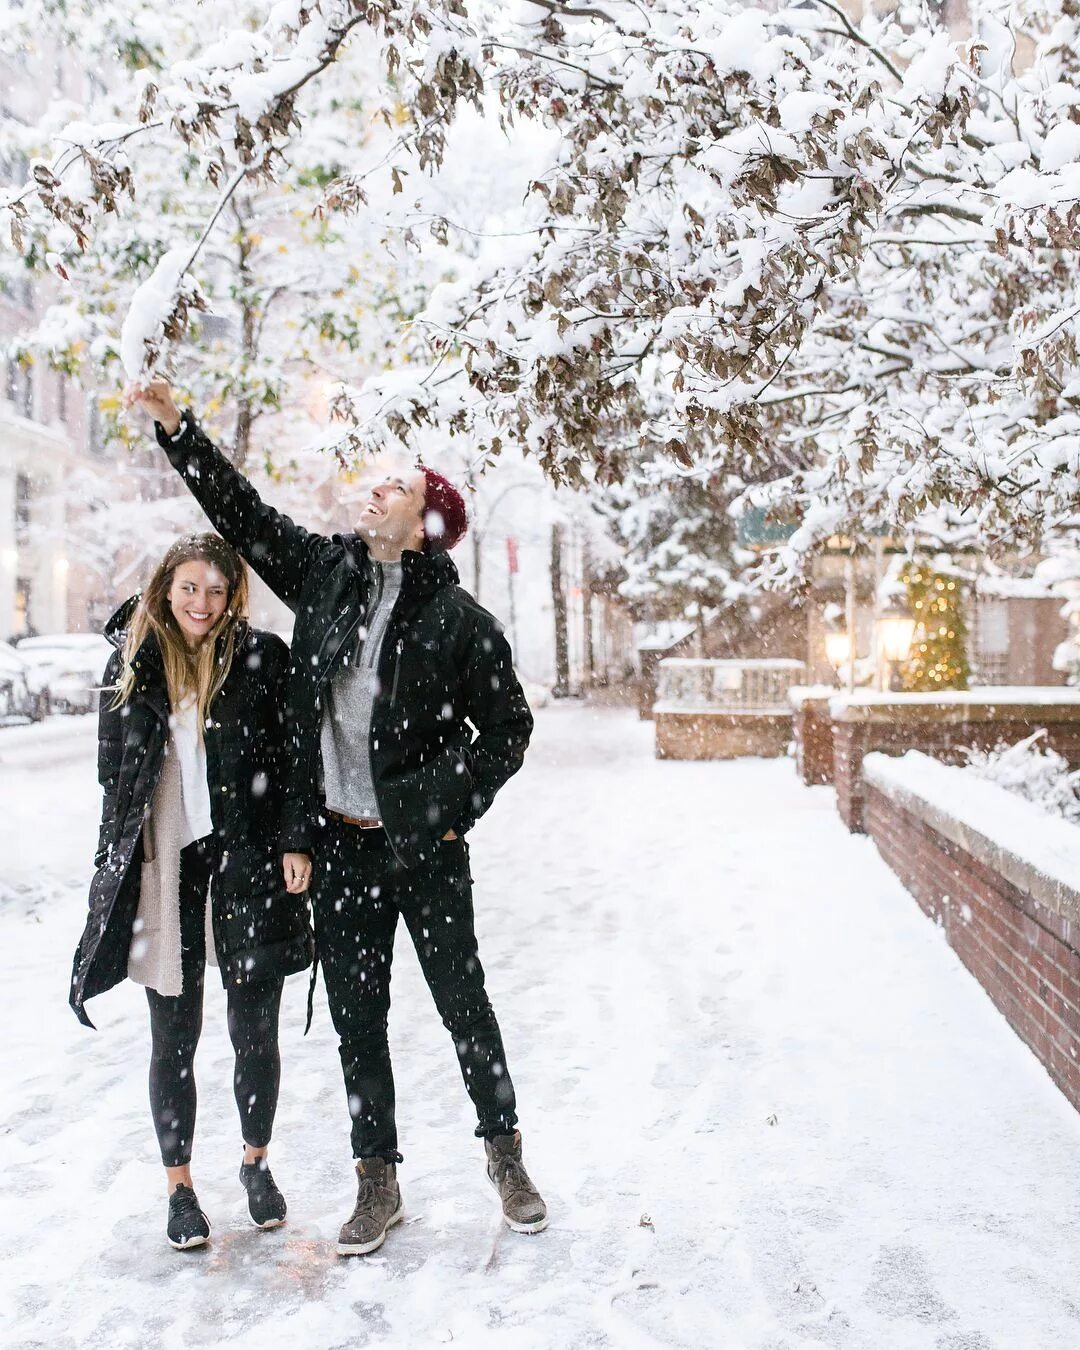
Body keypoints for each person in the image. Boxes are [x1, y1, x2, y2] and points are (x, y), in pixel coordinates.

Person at [127, 379, 548, 1256]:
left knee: (462, 1004)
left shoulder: (460, 624)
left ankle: (504, 1154)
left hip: (425, 853)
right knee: (358, 1018)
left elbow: (509, 728)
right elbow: (240, 516)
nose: (374, 491)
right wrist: (179, 430)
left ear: (428, 518)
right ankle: (377, 1180)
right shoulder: (324, 575)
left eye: (394, 489)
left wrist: (440, 808)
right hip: (343, 851)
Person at [70, 533, 313, 1250]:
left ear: (232, 594)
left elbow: (298, 756)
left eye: (216, 590)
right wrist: (115, 859)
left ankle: (255, 1163)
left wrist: (297, 839)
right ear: (165, 589)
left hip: (250, 861)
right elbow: (114, 770)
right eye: (189, 589)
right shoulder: (133, 661)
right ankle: (180, 1188)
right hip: (166, 867)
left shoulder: (262, 658)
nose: (202, 604)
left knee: (254, 1031)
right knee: (173, 1037)